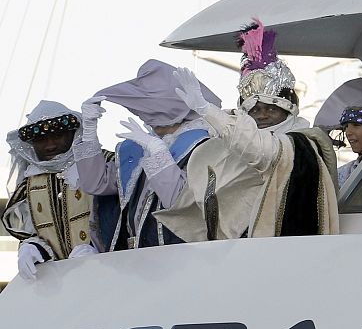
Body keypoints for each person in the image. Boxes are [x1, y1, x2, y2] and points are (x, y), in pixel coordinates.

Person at [155, 19, 338, 241]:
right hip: (239, 248)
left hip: (281, 247)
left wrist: (207, 110)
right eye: (256, 110)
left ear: (288, 110)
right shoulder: (229, 145)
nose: (262, 115)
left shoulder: (300, 143)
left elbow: (259, 150)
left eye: (271, 108)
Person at [73, 59, 221, 250]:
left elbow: (181, 203)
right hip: (137, 258)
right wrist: (89, 133)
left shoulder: (205, 144)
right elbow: (95, 184)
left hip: (183, 254)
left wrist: (159, 153)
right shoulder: (137, 144)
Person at [3, 101, 101, 280]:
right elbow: (34, 231)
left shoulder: (101, 164)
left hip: (108, 271)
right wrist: (31, 247)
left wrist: (98, 247)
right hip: (57, 283)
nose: (50, 145)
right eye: (41, 140)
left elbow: (123, 217)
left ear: (72, 133)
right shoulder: (30, 181)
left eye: (58, 136)